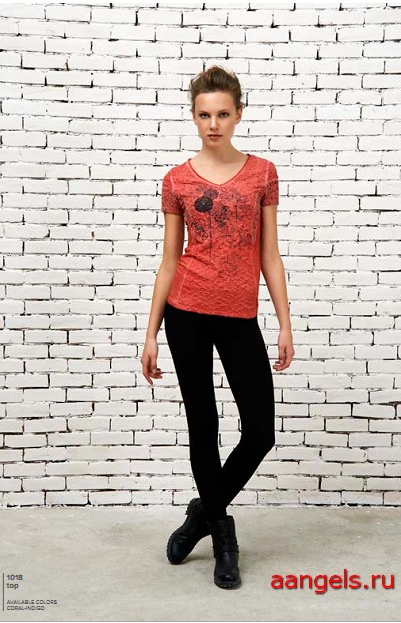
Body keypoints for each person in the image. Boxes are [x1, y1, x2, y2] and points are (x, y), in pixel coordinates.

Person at [140, 65, 294, 590]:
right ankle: (224, 536)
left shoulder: (263, 174)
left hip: (239, 316)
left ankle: (201, 515)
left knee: (260, 431)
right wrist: (150, 334)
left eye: (223, 114)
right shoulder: (177, 180)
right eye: (204, 115)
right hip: (185, 312)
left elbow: (270, 255)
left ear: (238, 114)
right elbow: (169, 260)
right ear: (193, 116)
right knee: (202, 426)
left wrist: (284, 323)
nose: (213, 124)